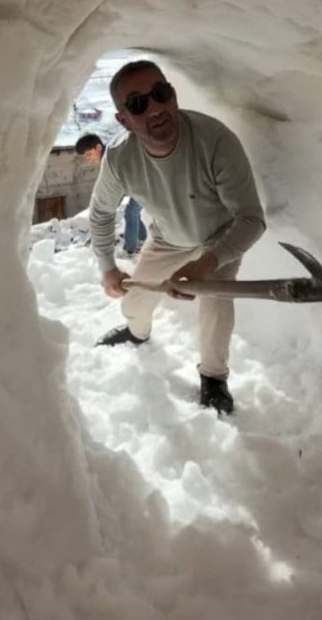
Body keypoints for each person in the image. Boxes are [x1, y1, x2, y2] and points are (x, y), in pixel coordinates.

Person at [88, 60, 265, 414]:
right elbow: (101, 213)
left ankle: (213, 377)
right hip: (168, 238)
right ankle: (137, 332)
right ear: (124, 119)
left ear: (173, 93)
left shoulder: (215, 141)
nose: (154, 107)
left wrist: (208, 262)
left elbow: (251, 219)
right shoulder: (120, 158)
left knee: (215, 303)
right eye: (138, 103)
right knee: (134, 302)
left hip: (218, 239)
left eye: (160, 93)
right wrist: (107, 268)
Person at [75, 133, 148, 255]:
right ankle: (142, 240)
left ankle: (130, 251)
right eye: (86, 156)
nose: (89, 159)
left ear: (98, 147)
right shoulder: (107, 157)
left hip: (146, 180)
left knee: (131, 213)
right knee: (132, 213)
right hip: (137, 183)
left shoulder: (112, 155)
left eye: (89, 154)